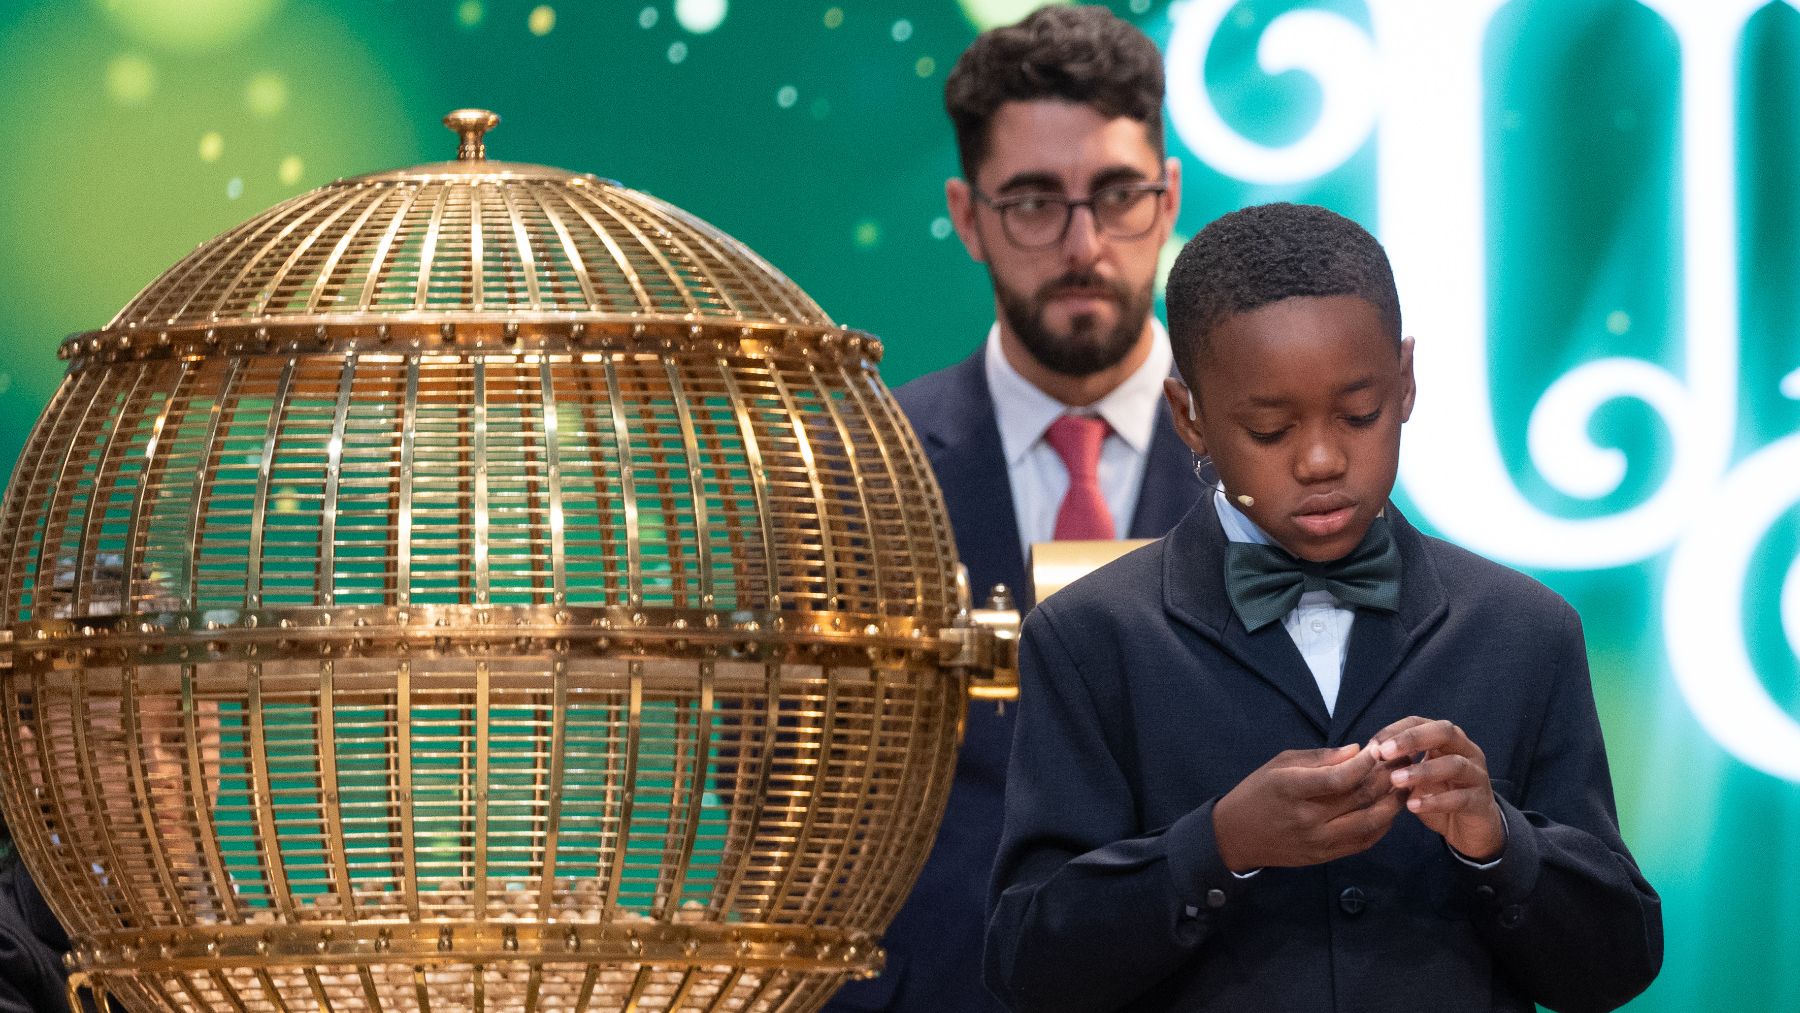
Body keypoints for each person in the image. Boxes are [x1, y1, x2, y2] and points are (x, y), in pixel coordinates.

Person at [984, 202, 1663, 1012]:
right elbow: (1028, 964)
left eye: (1359, 414)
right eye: (1269, 428)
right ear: (1188, 416)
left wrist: (1497, 840)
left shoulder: (1527, 629)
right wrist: (1219, 844)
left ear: (1406, 381)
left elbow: (1616, 965)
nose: (1321, 459)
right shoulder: (1089, 636)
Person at [826, 7, 1200, 1011]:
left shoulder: (1286, 475)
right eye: (1035, 201)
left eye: (1116, 196)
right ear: (967, 211)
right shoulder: (856, 472)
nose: (1083, 244)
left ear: (1166, 199)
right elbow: (773, 774)